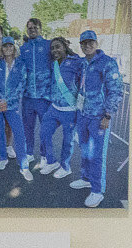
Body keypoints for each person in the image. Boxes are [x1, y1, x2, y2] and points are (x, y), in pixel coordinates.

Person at [73, 29, 122, 208]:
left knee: (97, 155)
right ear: (80, 45)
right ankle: (86, 178)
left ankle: (97, 190)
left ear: (96, 43)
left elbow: (115, 90)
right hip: (83, 114)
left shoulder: (107, 63)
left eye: (90, 42)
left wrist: (108, 115)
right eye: (84, 43)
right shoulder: (82, 63)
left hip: (99, 117)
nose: (87, 46)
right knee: (85, 150)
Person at [0, 37, 34, 179]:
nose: (8, 48)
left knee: (19, 134)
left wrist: (8, 101)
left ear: (14, 48)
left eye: (10, 46)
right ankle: (2, 158)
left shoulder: (20, 65)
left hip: (12, 105)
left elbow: (22, 85)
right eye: (5, 46)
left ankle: (24, 166)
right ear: (1, 49)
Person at [39, 37, 82, 181]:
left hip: (70, 110)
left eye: (58, 47)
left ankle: (65, 167)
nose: (54, 50)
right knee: (44, 133)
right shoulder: (54, 64)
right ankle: (51, 161)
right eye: (52, 48)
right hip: (54, 108)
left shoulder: (77, 62)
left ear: (65, 47)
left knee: (68, 141)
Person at [19, 16, 54, 175]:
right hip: (27, 97)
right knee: (27, 127)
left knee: (45, 129)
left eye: (35, 28)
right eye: (29, 28)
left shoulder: (48, 45)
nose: (32, 30)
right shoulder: (23, 48)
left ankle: (45, 156)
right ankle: (29, 153)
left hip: (44, 97)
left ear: (40, 29)